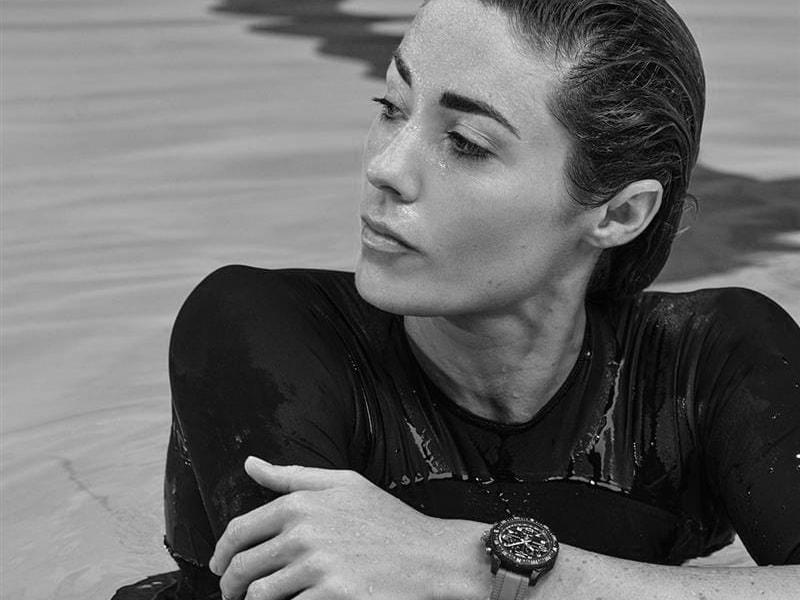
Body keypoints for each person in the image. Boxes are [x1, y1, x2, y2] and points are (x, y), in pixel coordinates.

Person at [119, 0, 800, 598]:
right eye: (391, 106)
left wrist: (481, 570)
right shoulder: (263, 334)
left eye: (466, 144)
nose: (385, 167)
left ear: (619, 215)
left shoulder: (711, 367)